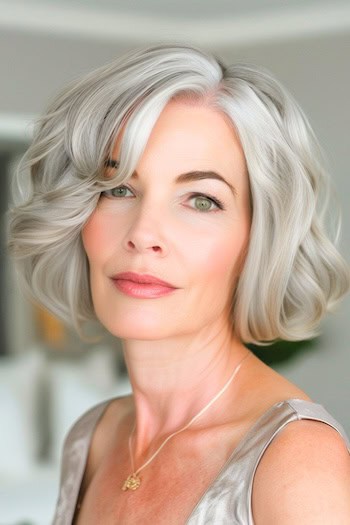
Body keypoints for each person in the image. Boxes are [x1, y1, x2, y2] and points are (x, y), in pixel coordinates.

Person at [8, 42, 350, 524]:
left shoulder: (296, 458)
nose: (144, 234)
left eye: (201, 200)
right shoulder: (94, 438)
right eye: (118, 188)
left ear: (257, 237)